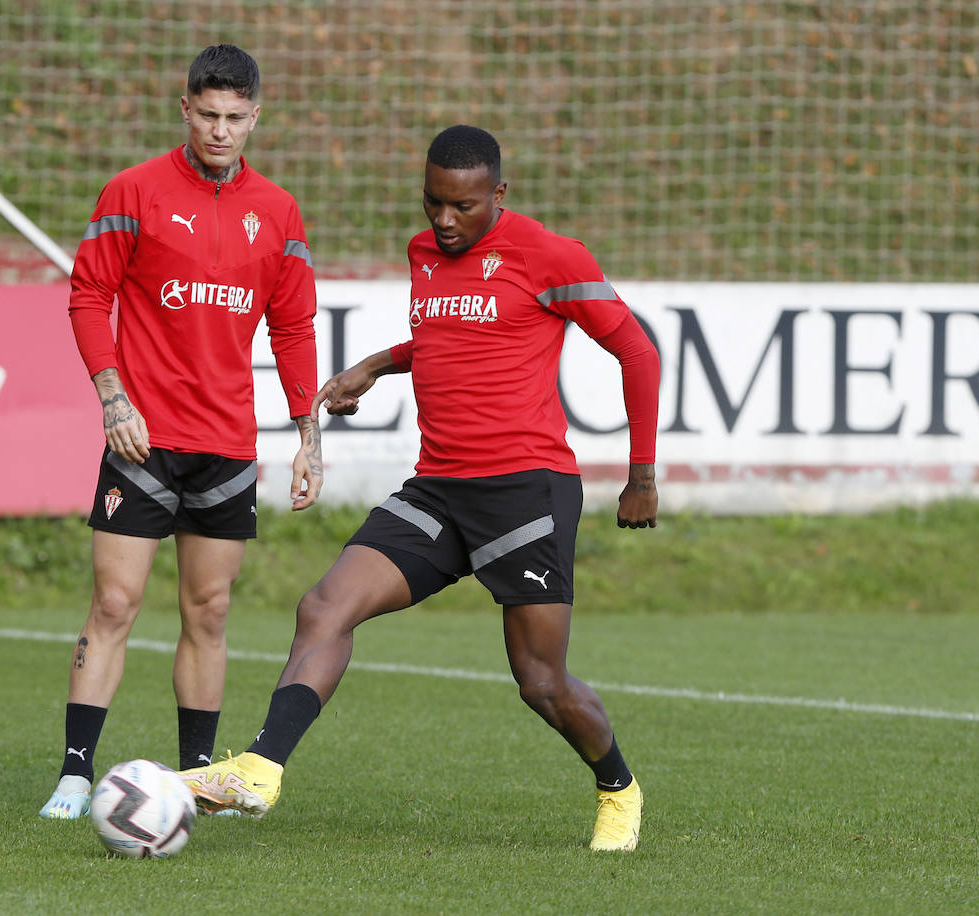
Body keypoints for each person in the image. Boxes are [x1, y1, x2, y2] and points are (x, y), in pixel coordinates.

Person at [181, 125, 660, 852]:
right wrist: (373, 366)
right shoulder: (423, 253)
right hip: (438, 488)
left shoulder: (550, 256)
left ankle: (618, 787)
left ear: (498, 193)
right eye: (433, 202)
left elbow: (637, 350)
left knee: (541, 683)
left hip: (525, 493)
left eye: (462, 206)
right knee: (325, 605)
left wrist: (641, 474)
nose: (444, 220)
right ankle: (261, 768)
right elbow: (443, 337)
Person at [40, 43, 321, 819]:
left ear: (255, 117)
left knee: (211, 611)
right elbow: (88, 296)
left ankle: (196, 780)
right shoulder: (133, 191)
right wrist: (113, 399)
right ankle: (73, 771)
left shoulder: (281, 212)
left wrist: (308, 435)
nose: (221, 131)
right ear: (184, 109)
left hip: (227, 446)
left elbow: (292, 329)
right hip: (143, 440)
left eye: (235, 118)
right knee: (115, 603)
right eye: (208, 115)